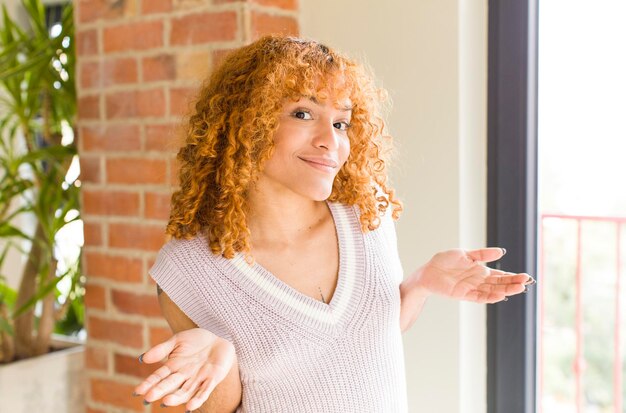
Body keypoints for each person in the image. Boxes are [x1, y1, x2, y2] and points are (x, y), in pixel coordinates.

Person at [132, 35, 534, 413]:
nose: (331, 141)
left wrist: (421, 284)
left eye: (341, 123)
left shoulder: (366, 214)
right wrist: (222, 356)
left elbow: (367, 344)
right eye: (303, 113)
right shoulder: (187, 269)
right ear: (245, 124)